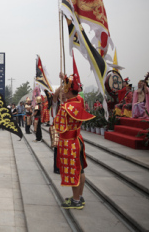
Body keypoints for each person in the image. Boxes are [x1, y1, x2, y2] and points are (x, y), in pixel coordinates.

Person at [53, 72, 94, 210]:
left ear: (68, 90)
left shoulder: (65, 108)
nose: (63, 91)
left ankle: (76, 200)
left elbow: (58, 127)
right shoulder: (79, 101)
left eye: (65, 88)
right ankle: (79, 196)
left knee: (73, 171)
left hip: (69, 143)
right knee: (80, 170)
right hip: (78, 140)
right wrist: (65, 79)